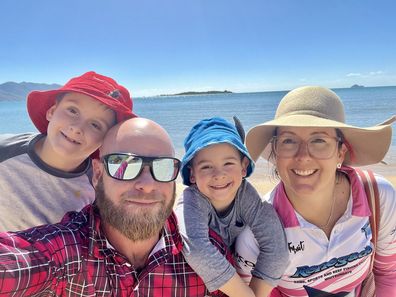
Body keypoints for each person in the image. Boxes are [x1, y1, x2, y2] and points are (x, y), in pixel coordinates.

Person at [0, 117, 233, 296]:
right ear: (98, 174)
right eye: (124, 165)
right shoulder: (66, 252)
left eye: (162, 168)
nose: (147, 185)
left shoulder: (205, 255)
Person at [234, 86, 396, 296]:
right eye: (289, 141)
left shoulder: (376, 195)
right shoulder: (257, 233)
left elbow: (388, 273)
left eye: (319, 140)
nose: (303, 156)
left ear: (340, 152)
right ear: (276, 152)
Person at [0, 71, 136, 231]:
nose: (77, 128)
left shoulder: (98, 182)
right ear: (51, 111)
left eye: (95, 125)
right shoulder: (6, 151)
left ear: (105, 140)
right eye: (72, 111)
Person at [175, 117, 289, 297]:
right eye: (206, 167)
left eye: (228, 163)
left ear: (244, 167)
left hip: (235, 273)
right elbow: (196, 248)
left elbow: (276, 246)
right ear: (192, 174)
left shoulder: (245, 194)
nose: (219, 175)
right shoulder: (192, 200)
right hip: (196, 277)